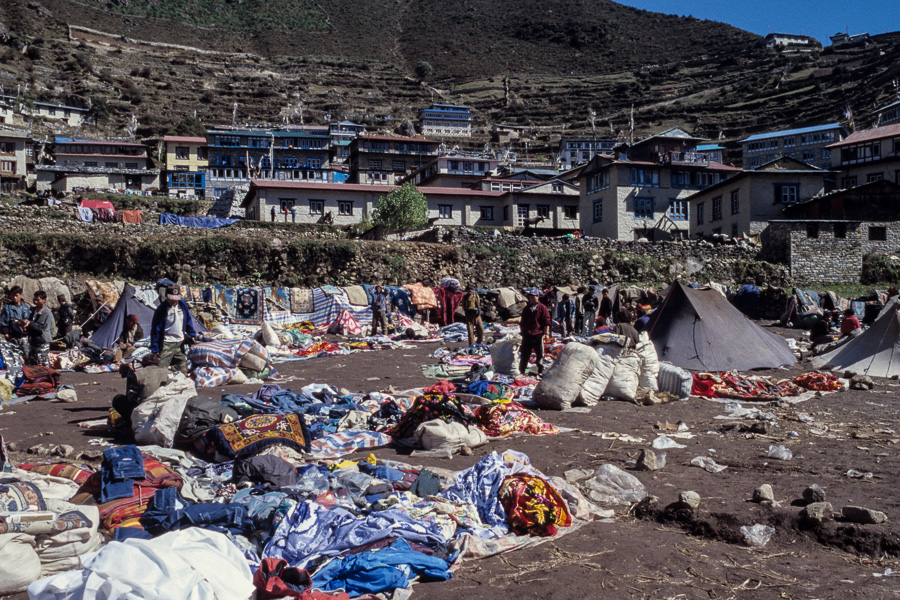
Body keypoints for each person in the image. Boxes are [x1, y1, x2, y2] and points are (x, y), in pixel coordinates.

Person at [149, 285, 197, 372]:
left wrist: (192, 335)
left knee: (182, 371)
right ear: (167, 296)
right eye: (171, 298)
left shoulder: (183, 306)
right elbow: (155, 330)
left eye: (176, 298)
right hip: (166, 344)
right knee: (161, 371)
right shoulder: (161, 310)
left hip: (180, 343)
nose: (173, 300)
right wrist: (155, 348)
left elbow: (188, 322)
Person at [519, 288, 551, 377]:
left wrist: (546, 333)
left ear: (538, 297)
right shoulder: (526, 308)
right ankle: (522, 370)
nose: (532, 299)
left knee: (539, 354)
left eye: (533, 297)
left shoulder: (543, 308)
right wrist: (523, 332)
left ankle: (540, 370)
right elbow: (523, 322)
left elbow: (547, 322)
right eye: (530, 297)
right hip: (527, 335)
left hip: (538, 334)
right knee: (525, 354)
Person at [25, 291, 55, 366]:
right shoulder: (34, 310)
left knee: (43, 363)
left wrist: (30, 323)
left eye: (37, 300)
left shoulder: (47, 312)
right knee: (33, 362)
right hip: (34, 340)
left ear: (44, 299)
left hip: (42, 341)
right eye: (34, 300)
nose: (35, 302)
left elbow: (40, 328)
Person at [1, 285, 31, 357]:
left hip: (25, 337)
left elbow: (31, 320)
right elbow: (4, 322)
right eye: (12, 295)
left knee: (26, 357)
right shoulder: (7, 308)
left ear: (21, 295)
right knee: (14, 357)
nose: (14, 298)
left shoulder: (27, 307)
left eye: (16, 295)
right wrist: (6, 333)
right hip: (13, 337)